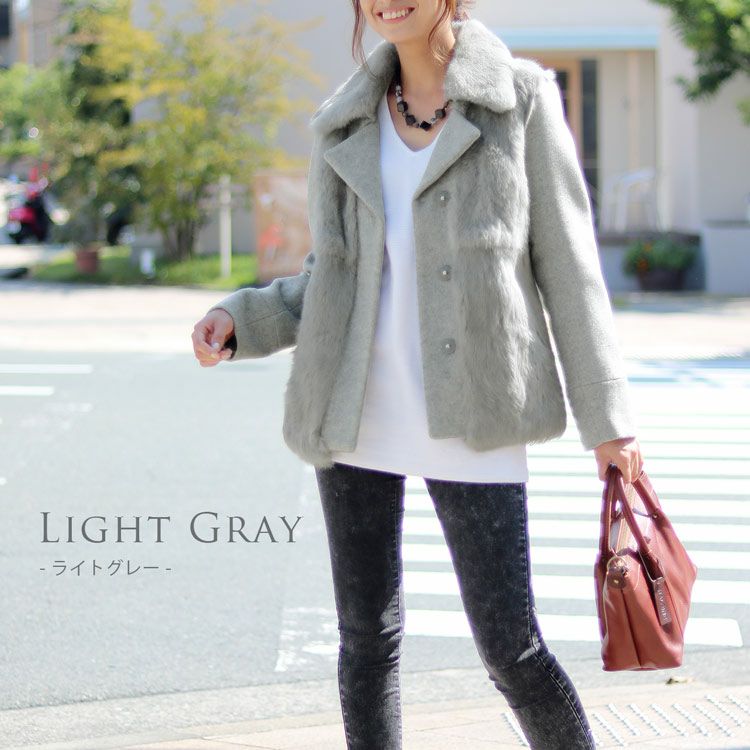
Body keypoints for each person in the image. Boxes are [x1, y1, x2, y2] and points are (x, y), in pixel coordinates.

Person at [192, 2, 644, 748]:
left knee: (512, 650)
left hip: (478, 406)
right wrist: (243, 318)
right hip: (355, 409)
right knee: (366, 642)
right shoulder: (344, 121)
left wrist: (608, 420)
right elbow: (330, 278)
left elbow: (569, 269)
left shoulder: (520, 100)